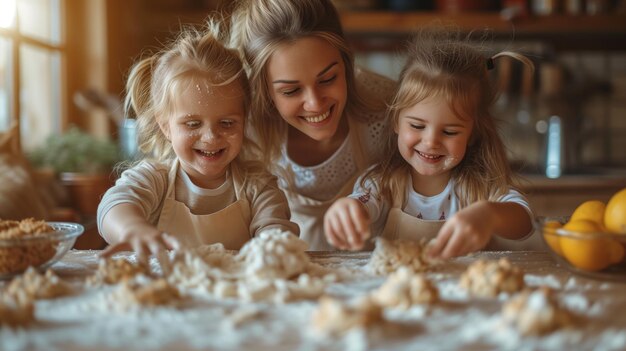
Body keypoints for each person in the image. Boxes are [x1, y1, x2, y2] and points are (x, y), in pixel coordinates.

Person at [323, 28, 534, 259]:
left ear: (472, 134)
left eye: (449, 131)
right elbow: (362, 203)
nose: (431, 141)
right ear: (396, 122)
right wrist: (348, 209)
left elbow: (525, 221)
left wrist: (490, 215)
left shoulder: (479, 187)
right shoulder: (382, 184)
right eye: (417, 126)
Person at [97, 22, 298, 261]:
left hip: (236, 293)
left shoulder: (258, 187)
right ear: (165, 127)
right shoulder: (155, 180)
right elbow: (114, 206)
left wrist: (273, 250)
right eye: (192, 124)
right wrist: (132, 229)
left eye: (227, 123)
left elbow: (276, 234)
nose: (211, 137)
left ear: (244, 122)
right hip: (168, 291)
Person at [228, 0, 396, 250]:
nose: (315, 104)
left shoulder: (388, 110)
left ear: (346, 61)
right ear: (263, 89)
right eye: (291, 90)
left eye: (328, 79)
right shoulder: (243, 131)